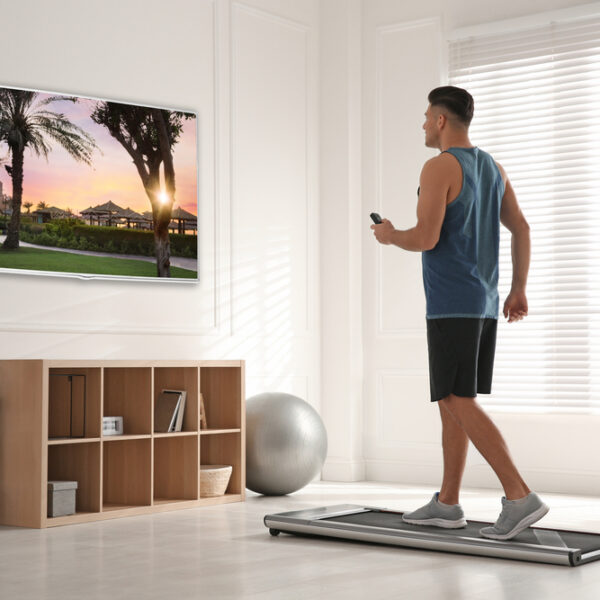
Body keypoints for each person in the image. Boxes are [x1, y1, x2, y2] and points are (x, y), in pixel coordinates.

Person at [371, 85, 548, 540]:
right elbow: (522, 227)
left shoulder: (438, 166)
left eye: (427, 116)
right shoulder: (492, 167)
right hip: (484, 303)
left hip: (452, 304)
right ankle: (448, 503)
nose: (424, 124)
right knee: (454, 402)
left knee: (454, 398)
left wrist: (390, 235)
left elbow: (426, 238)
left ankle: (519, 495)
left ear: (442, 121)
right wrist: (518, 289)